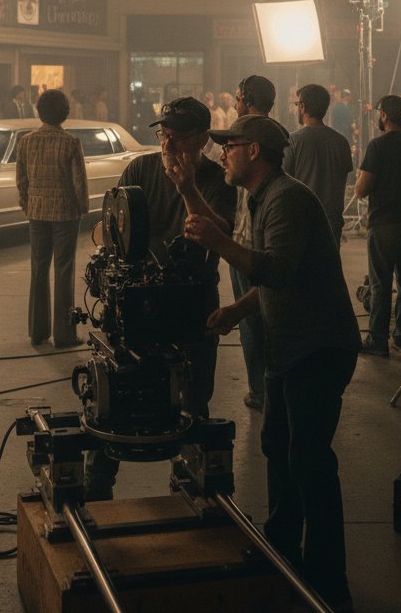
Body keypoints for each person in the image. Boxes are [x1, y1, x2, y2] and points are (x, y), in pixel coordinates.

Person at [185, 115, 361, 613]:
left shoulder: (287, 199)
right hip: (288, 346)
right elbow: (270, 279)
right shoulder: (259, 198)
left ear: (255, 151)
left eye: (230, 146)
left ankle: (329, 582)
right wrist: (236, 312)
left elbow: (278, 270)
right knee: (277, 447)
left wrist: (220, 245)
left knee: (309, 461)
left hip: (319, 348)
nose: (223, 154)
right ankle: (282, 552)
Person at [84, 95, 235, 500]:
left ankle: (188, 490)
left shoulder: (218, 180)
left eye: (178, 137)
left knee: (192, 403)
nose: (168, 144)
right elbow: (111, 226)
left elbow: (221, 235)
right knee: (112, 397)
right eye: (163, 134)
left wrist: (187, 189)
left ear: (202, 139)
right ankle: (97, 492)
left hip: (192, 300)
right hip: (133, 299)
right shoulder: (141, 169)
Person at [354, 94, 401, 357]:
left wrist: (360, 182)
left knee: (380, 285)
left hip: (383, 223)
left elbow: (362, 189)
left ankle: (378, 340)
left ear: (384, 115)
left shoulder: (377, 146)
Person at [16, 89, 90, 348]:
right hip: (65, 213)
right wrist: (83, 207)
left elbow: (21, 179)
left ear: (40, 112)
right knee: (64, 269)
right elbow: (79, 181)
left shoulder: (26, 142)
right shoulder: (71, 142)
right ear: (64, 113)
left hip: (37, 212)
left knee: (38, 269)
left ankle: (37, 332)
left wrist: (27, 203)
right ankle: (64, 335)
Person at [227, 73, 277, 410]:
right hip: (269, 239)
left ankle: (259, 390)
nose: (235, 103)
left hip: (246, 242)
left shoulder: (241, 133)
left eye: (237, 97)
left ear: (246, 98)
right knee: (271, 316)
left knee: (248, 319)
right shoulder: (279, 135)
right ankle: (273, 385)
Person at [284, 83, 353, 247]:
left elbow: (285, 181)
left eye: (297, 104)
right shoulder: (341, 142)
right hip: (331, 221)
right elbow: (342, 179)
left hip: (302, 220)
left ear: (302, 107)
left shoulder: (293, 141)